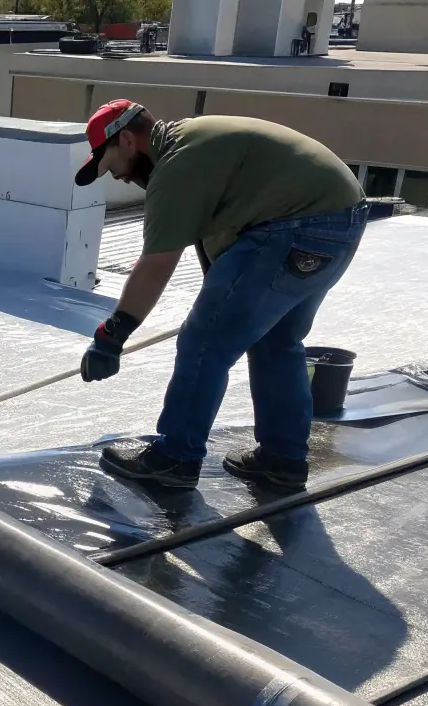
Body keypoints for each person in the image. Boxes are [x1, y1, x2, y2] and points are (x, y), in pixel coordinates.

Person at [74, 100, 367, 491]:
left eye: (112, 165)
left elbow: (156, 265)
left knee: (204, 341)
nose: (120, 177)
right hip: (341, 219)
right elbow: (211, 248)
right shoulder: (195, 145)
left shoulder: (176, 167)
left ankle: (175, 458)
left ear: (127, 139)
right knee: (276, 340)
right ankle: (282, 460)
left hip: (294, 224)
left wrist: (112, 336)